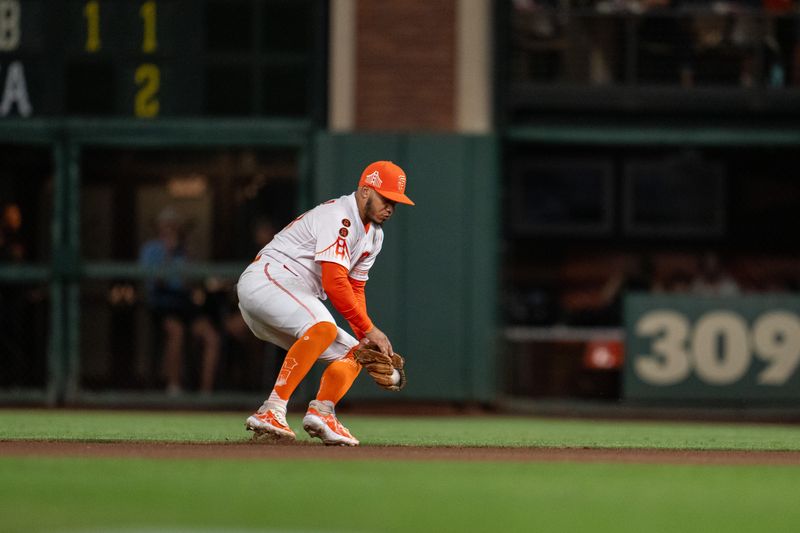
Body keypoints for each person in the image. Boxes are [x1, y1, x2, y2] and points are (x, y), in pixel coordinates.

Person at [236, 161, 414, 446]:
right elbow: (334, 283)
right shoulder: (339, 216)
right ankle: (272, 410)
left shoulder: (375, 235)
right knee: (322, 326)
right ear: (366, 190)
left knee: (356, 354)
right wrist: (371, 329)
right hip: (268, 280)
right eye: (386, 199)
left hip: (288, 296)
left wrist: (363, 337)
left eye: (396, 203)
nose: (391, 208)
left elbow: (355, 286)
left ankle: (323, 412)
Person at [139, 207, 221, 395]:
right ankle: (173, 386)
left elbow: (193, 282)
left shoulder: (185, 251)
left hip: (185, 304)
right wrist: (167, 252)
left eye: (174, 226)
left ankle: (205, 392)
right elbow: (154, 281)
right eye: (166, 226)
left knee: (211, 337)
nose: (170, 230)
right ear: (158, 228)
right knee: (176, 331)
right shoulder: (151, 250)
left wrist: (188, 258)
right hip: (163, 304)